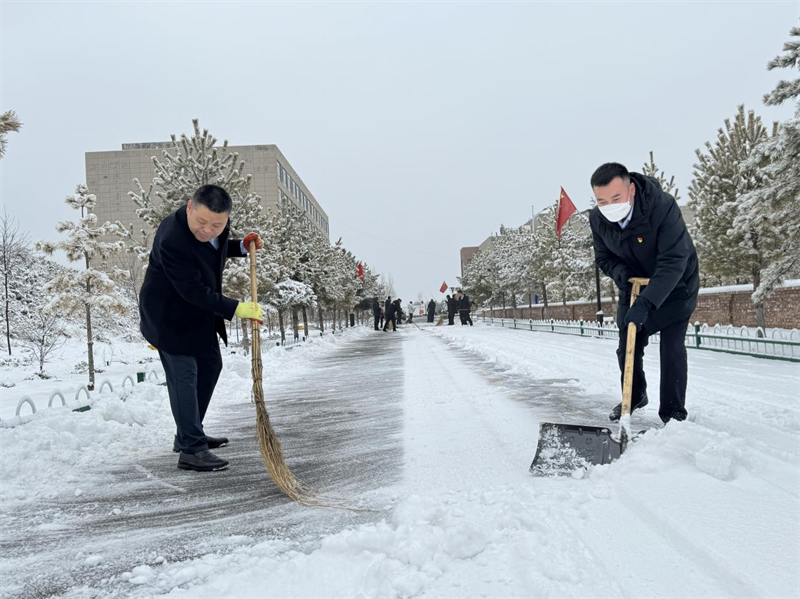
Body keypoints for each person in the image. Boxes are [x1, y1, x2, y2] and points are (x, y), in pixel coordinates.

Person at [139, 185, 264, 472]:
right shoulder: (172, 238)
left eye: (217, 225)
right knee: (185, 376)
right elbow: (193, 290)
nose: (208, 230)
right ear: (189, 207)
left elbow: (212, 249)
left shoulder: (215, 223)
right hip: (169, 317)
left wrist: (241, 247)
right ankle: (191, 450)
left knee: (211, 366)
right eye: (202, 222)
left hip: (197, 314)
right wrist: (236, 308)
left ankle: (188, 433)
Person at [589, 162, 699, 424]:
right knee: (628, 341)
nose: (609, 206)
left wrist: (647, 303)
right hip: (634, 285)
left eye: (616, 198)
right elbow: (603, 258)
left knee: (671, 349)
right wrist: (622, 274)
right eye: (602, 201)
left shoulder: (662, 207)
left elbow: (674, 261)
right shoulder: (597, 219)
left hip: (676, 284)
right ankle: (635, 395)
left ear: (632, 190)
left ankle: (673, 412)